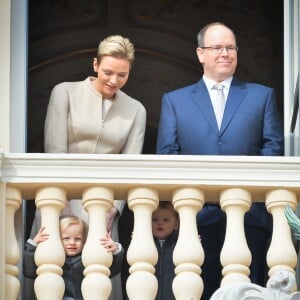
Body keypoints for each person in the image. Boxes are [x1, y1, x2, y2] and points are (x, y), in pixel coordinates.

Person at [156, 22, 284, 300]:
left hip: (250, 216)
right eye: (217, 48)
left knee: (250, 293)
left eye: (230, 47)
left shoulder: (262, 96)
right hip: (196, 220)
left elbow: (273, 151)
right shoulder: (175, 101)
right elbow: (167, 157)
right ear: (201, 53)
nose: (225, 53)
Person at [30, 34, 146, 300]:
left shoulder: (136, 110)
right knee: (52, 278)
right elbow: (55, 149)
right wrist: (62, 205)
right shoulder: (65, 92)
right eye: (108, 72)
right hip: (59, 200)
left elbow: (129, 167)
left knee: (98, 282)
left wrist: (112, 212)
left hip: (103, 206)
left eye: (122, 75)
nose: (114, 81)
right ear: (95, 65)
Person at [24, 215, 124, 300]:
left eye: (77, 239)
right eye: (66, 239)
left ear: (85, 241)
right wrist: (33, 245)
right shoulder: (50, 258)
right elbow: (29, 272)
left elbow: (113, 269)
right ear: (57, 239)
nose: (72, 243)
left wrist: (116, 249)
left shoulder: (89, 258)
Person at [152, 201, 179, 300]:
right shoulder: (145, 243)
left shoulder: (179, 244)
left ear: (176, 225)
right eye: (154, 219)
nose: (160, 223)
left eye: (166, 220)